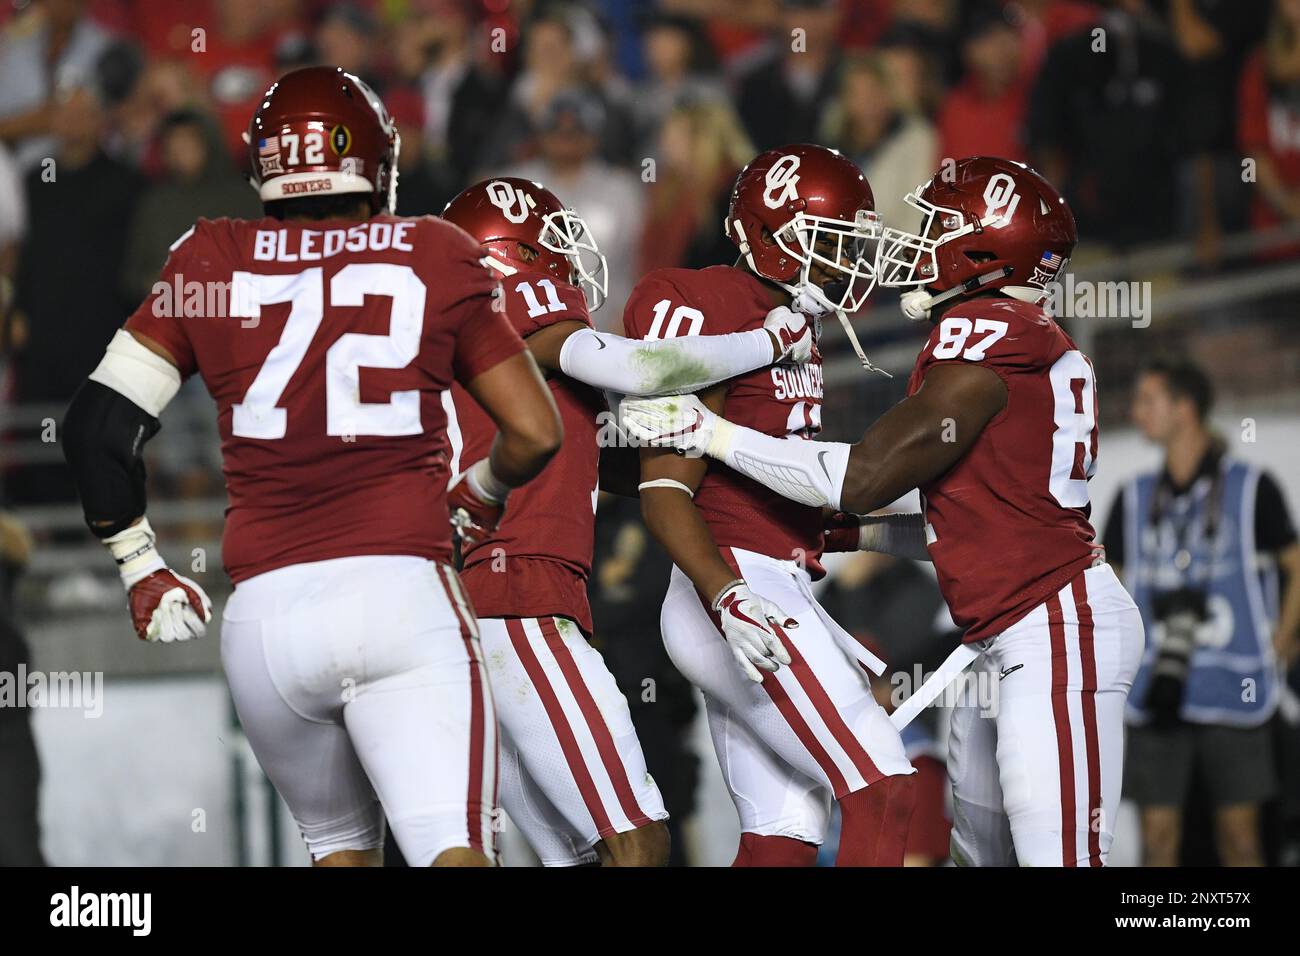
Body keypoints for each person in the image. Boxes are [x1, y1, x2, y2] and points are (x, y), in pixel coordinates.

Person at [60, 66, 564, 868]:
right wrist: (481, 490)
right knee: (456, 850)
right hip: (402, 592)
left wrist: (140, 567)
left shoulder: (210, 258)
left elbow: (96, 424)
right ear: (375, 162)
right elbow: (536, 431)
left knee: (338, 853)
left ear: (266, 167)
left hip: (267, 621)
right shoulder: (433, 250)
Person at [624, 157, 1147, 867]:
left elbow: (860, 477)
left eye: (939, 227)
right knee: (969, 851)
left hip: (1055, 631)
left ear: (986, 245)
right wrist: (859, 535)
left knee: (1054, 857)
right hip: (1009, 631)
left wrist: (715, 436)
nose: (917, 243)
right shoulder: (1012, 334)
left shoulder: (990, 333)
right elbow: (961, 530)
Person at [440, 176, 814, 866]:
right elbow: (641, 366)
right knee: (637, 837)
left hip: (473, 605)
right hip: (516, 595)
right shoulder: (513, 305)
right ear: (509, 255)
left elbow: (606, 463)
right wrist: (766, 341)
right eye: (550, 245)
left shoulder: (482, 346)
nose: (567, 261)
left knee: (578, 857)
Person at [624, 144, 919, 868]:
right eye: (829, 242)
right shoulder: (712, 303)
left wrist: (920, 538)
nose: (846, 261)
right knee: (883, 788)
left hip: (764, 582)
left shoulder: (790, 320)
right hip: (731, 588)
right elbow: (664, 491)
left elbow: (793, 513)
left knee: (781, 836)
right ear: (768, 233)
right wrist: (725, 594)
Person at [1104, 354, 1300, 866]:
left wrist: (1283, 640)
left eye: (1149, 400)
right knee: (1158, 836)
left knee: (1240, 837)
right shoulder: (1133, 497)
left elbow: (1297, 563)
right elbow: (1109, 586)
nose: (1136, 411)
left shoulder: (1251, 487)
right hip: (1155, 690)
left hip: (1234, 685)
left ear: (1184, 409)